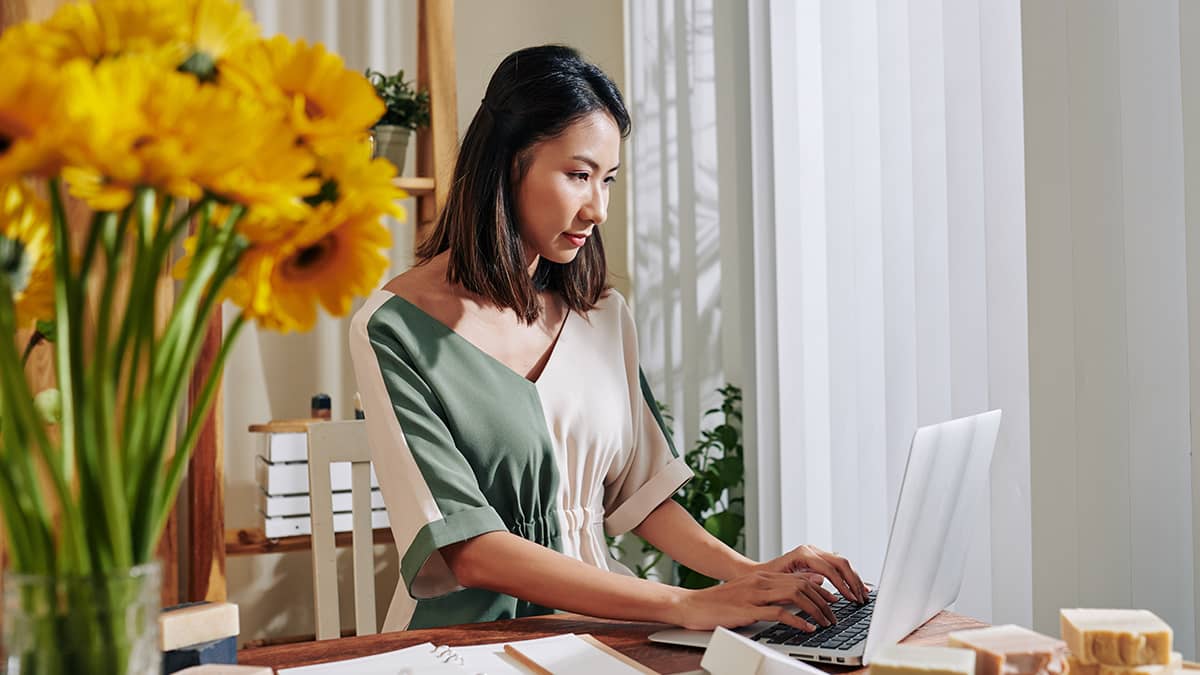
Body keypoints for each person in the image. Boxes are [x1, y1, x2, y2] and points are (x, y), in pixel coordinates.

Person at [349, 44, 869, 633]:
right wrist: (682, 604)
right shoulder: (394, 327)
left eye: (608, 180)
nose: (598, 208)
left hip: (601, 624)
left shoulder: (602, 315)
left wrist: (749, 574)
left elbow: (641, 494)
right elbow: (470, 548)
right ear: (507, 163)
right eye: (578, 175)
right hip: (468, 642)